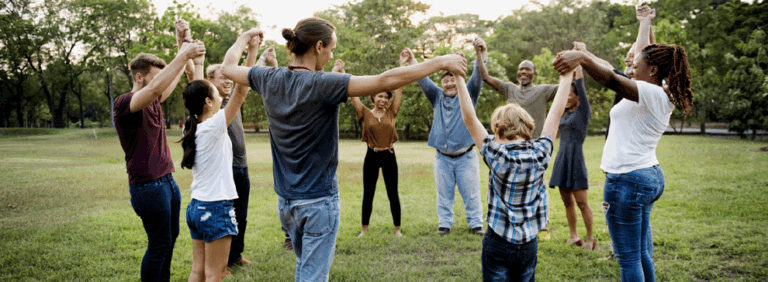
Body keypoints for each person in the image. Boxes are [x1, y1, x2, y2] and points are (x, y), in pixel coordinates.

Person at [220, 17, 467, 281]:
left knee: (305, 268)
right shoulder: (323, 83)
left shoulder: (268, 77)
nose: (331, 55)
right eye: (331, 48)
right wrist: (441, 61)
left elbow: (227, 67)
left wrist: (243, 38)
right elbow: (386, 80)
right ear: (317, 47)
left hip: (286, 203)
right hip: (317, 202)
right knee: (313, 276)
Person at [553, 18, 693, 282]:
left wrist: (581, 57)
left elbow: (610, 79)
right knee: (641, 254)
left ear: (652, 70)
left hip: (628, 180)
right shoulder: (660, 92)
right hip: (646, 176)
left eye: (636, 66)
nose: (630, 69)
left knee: (629, 259)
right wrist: (644, 22)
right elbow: (613, 70)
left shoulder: (650, 93)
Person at [458, 55, 574, 281]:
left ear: (498, 132)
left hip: (498, 242)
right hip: (529, 244)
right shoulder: (541, 152)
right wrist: (567, 74)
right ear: (529, 127)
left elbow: (469, 118)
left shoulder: (496, 153)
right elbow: (556, 114)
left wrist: (459, 76)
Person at [112, 26, 205, 280]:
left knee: (169, 240)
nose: (159, 83)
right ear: (140, 77)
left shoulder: (153, 99)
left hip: (167, 181)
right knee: (159, 244)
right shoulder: (124, 103)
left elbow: (166, 83)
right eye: (155, 77)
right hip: (147, 187)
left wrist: (181, 46)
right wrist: (184, 55)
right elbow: (155, 89)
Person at [180, 37, 254, 281]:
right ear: (209, 102)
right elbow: (242, 89)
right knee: (216, 273)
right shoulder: (214, 126)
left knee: (197, 270)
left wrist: (199, 63)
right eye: (214, 91)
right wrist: (247, 42)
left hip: (196, 208)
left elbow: (199, 85)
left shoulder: (191, 127)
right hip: (215, 208)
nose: (221, 92)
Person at [474, 37, 560, 239]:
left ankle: (542, 225)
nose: (523, 72)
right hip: (508, 149)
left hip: (533, 149)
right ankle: (502, 222)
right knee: (502, 186)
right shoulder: (509, 89)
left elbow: (567, 90)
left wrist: (574, 65)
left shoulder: (543, 90)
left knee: (539, 187)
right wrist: (480, 53)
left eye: (527, 69)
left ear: (534, 73)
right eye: (521, 69)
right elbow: (485, 76)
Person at [400, 47, 485, 236]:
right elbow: (423, 79)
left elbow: (478, 76)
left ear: (459, 80)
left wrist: (480, 55)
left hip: (466, 156)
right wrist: (413, 60)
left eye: (452, 79)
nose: (449, 83)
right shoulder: (437, 96)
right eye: (445, 80)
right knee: (444, 194)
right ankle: (445, 224)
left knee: (471, 193)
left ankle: (476, 224)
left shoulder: (469, 94)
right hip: (442, 158)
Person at [333, 58, 404, 238]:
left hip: (389, 155)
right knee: (368, 193)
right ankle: (364, 229)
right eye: (379, 96)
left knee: (392, 193)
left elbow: (399, 88)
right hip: (371, 156)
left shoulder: (392, 112)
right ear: (373, 98)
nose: (383, 99)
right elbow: (353, 95)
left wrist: (402, 67)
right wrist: (342, 72)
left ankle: (398, 229)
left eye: (386, 96)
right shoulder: (364, 113)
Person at [547, 65, 596, 251]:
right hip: (562, 159)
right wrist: (564, 74)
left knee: (582, 202)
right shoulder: (564, 113)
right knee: (567, 202)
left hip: (576, 160)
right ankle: (573, 236)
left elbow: (581, 84)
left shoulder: (583, 112)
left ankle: (590, 239)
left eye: (570, 94)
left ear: (577, 97)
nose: (566, 97)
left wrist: (576, 62)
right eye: (564, 94)